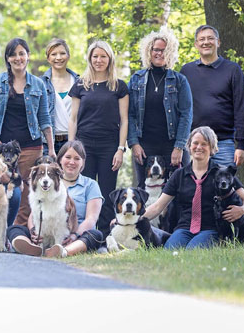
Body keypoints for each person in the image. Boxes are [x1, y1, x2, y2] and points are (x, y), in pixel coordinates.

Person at [143, 126, 244, 250]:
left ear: (212, 148)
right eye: (195, 143)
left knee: (192, 251)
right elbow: (158, 206)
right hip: (184, 228)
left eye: (204, 144)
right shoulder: (179, 175)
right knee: (169, 251)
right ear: (189, 146)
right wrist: (133, 219)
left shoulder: (222, 173)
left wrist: (242, 210)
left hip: (211, 229)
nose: (199, 147)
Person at [0, 38, 54, 226]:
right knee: (1, 189)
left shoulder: (38, 85)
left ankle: (18, 233)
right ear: (8, 58)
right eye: (13, 54)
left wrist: (52, 149)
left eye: (22, 53)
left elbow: (45, 119)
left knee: (26, 193)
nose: (18, 58)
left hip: (31, 147)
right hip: (2, 150)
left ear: (28, 56)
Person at [69, 40, 128, 233]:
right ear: (89, 58)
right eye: (95, 56)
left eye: (103, 56)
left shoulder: (118, 86)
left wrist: (121, 149)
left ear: (110, 58)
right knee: (84, 191)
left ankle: (104, 234)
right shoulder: (80, 85)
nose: (99, 60)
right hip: (83, 146)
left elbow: (124, 119)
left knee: (106, 192)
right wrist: (71, 147)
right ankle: (83, 232)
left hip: (109, 147)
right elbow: (74, 118)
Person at [10, 140, 104, 257]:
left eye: (77, 158)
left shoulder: (90, 185)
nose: (71, 162)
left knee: (96, 234)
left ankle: (64, 251)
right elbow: (33, 214)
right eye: (68, 157)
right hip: (43, 231)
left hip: (76, 235)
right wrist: (33, 230)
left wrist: (75, 235)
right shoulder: (46, 182)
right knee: (15, 229)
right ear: (60, 160)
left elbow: (91, 219)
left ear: (83, 162)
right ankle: (32, 247)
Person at [128, 28, 193, 185]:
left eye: (165, 50)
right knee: (144, 190)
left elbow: (186, 114)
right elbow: (129, 114)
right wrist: (134, 143)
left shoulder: (179, 80)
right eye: (156, 49)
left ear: (171, 53)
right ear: (149, 51)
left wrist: (179, 147)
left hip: (172, 145)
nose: (160, 53)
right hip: (144, 147)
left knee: (179, 190)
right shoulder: (136, 79)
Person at [180, 25, 244, 168]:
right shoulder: (186, 71)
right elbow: (180, 108)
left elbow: (241, 108)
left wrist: (241, 145)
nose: (206, 42)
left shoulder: (233, 70)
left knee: (224, 189)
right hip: (194, 145)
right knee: (194, 189)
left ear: (218, 42)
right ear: (196, 44)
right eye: (202, 39)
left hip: (223, 144)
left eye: (210, 38)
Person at [41, 38, 79, 155]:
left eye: (62, 53)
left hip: (74, 141)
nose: (58, 57)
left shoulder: (79, 82)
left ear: (68, 56)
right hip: (47, 143)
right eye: (54, 54)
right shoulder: (40, 83)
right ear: (48, 58)